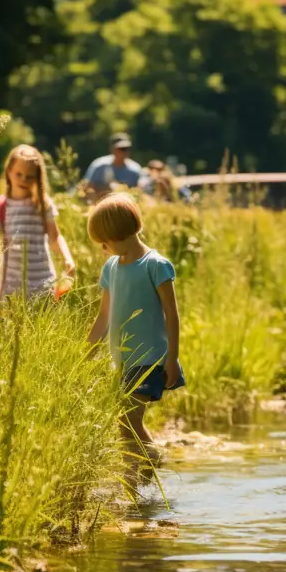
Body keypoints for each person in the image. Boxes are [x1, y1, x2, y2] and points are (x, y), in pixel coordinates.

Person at [87, 192, 184, 460]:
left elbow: (172, 315)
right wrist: (85, 353)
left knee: (128, 420)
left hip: (149, 359)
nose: (103, 248)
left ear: (118, 234)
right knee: (125, 425)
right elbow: (103, 317)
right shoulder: (110, 268)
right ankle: (139, 480)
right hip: (123, 361)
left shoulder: (156, 265)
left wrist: (172, 359)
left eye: (105, 242)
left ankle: (152, 464)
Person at [0, 145, 75, 299]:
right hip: (10, 289)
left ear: (37, 177)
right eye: (19, 174)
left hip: (43, 285)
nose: (24, 179)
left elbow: (55, 237)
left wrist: (68, 258)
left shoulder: (43, 204)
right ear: (9, 171)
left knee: (42, 322)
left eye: (30, 176)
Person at [83, 133, 142, 200]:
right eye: (121, 149)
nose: (124, 152)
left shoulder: (135, 169)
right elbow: (86, 187)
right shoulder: (99, 166)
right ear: (112, 149)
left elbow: (139, 192)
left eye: (127, 148)